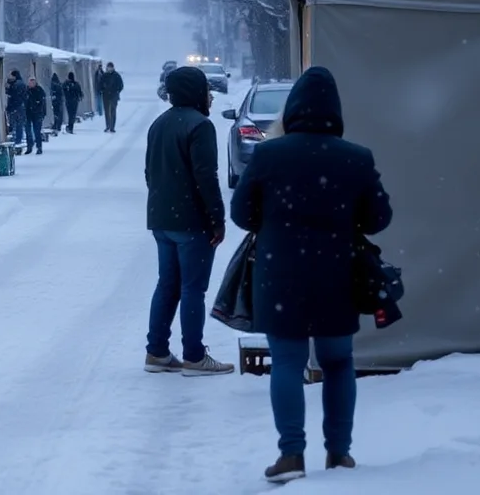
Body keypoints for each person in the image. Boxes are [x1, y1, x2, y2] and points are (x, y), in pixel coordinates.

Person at [230, 66, 393, 483]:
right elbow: (378, 219)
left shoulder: (268, 154)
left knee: (287, 362)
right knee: (339, 362)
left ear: (293, 109)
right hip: (337, 276)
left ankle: (291, 456)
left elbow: (242, 215)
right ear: (335, 111)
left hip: (280, 274)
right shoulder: (356, 157)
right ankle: (340, 454)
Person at [143, 67, 234, 378]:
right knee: (193, 288)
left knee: (167, 285)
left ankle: (157, 352)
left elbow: (149, 173)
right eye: (205, 89)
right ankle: (194, 356)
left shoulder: (159, 124)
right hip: (192, 222)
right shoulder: (200, 126)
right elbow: (206, 178)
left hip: (161, 219)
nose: (209, 95)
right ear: (194, 92)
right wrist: (217, 220)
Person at [100, 61, 125, 133]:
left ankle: (112, 127)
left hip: (114, 96)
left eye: (111, 67)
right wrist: (102, 90)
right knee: (107, 111)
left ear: (113, 68)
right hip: (105, 96)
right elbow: (100, 84)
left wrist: (117, 91)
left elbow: (121, 85)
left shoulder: (116, 76)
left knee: (113, 111)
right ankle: (107, 126)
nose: (109, 69)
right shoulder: (104, 76)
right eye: (108, 67)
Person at [5, 69, 28, 147]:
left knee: (15, 124)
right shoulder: (21, 83)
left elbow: (12, 94)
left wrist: (8, 87)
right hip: (20, 106)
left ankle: (17, 141)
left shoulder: (16, 84)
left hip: (15, 107)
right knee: (19, 124)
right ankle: (18, 139)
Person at [26, 76, 48, 155]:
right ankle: (29, 146)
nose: (31, 84)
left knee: (37, 131)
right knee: (28, 131)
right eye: (30, 82)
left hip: (38, 114)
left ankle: (39, 147)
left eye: (33, 82)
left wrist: (42, 112)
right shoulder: (26, 90)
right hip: (28, 113)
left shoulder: (39, 90)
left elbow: (42, 103)